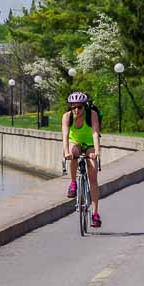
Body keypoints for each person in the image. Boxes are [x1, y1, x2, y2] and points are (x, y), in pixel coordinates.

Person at [61, 91, 102, 228]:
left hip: (89, 144)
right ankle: (73, 183)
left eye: (79, 107)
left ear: (85, 107)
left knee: (93, 176)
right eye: (73, 107)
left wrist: (96, 152)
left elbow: (95, 133)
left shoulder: (92, 115)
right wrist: (66, 152)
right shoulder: (67, 117)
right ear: (70, 107)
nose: (76, 110)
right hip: (75, 143)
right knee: (73, 153)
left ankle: (95, 214)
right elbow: (65, 136)